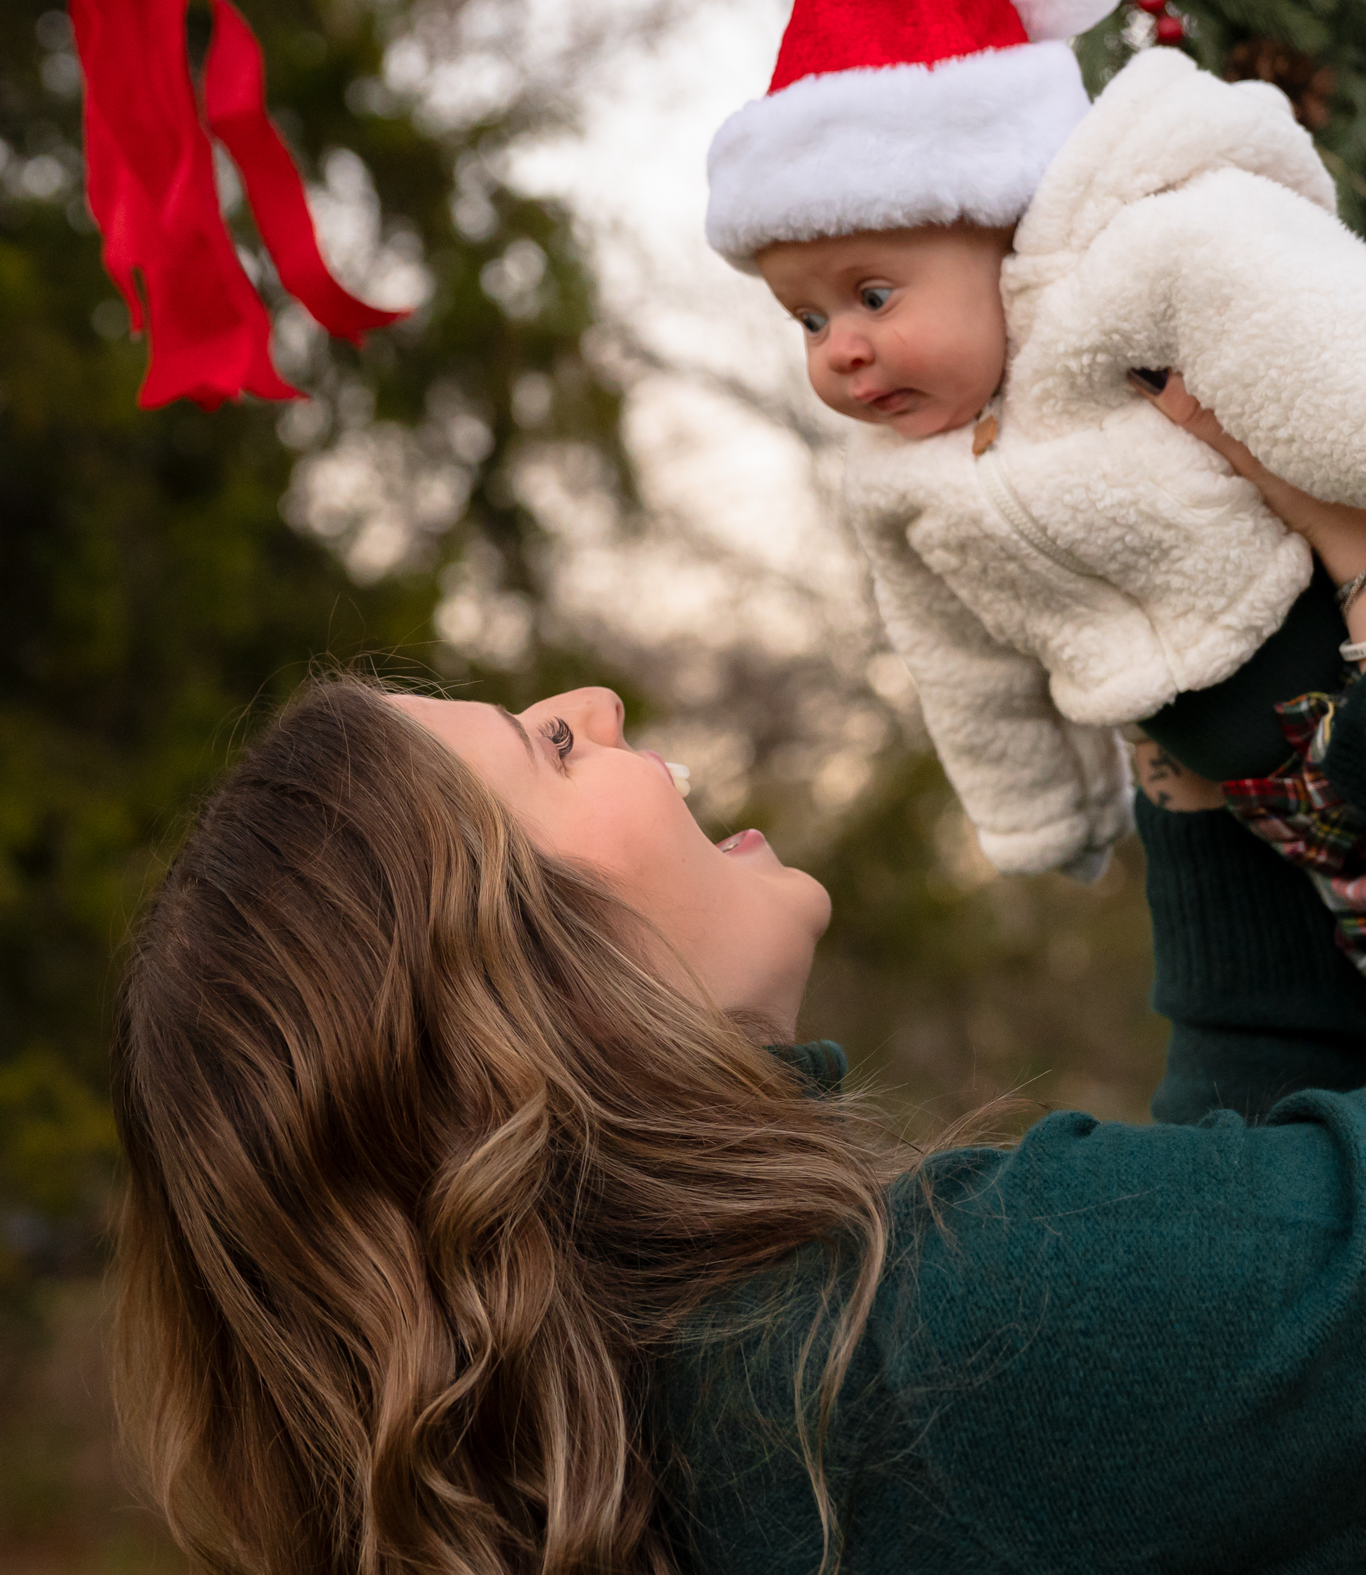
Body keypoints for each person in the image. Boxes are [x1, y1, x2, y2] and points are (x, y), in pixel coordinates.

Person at [113, 393, 1366, 1575]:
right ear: (532, 989)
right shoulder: (934, 1343)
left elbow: (1272, 1255)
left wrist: (1192, 734)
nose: (595, 702)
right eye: (544, 748)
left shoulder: (679, 1422)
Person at [705, 0, 1366, 925]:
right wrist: (1039, 811)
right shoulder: (894, 481)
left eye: (872, 294)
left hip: (1325, 667)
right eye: (805, 317)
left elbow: (1302, 323)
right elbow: (959, 666)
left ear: (1001, 222)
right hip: (1278, 822)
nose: (840, 347)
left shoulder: (1151, 251)